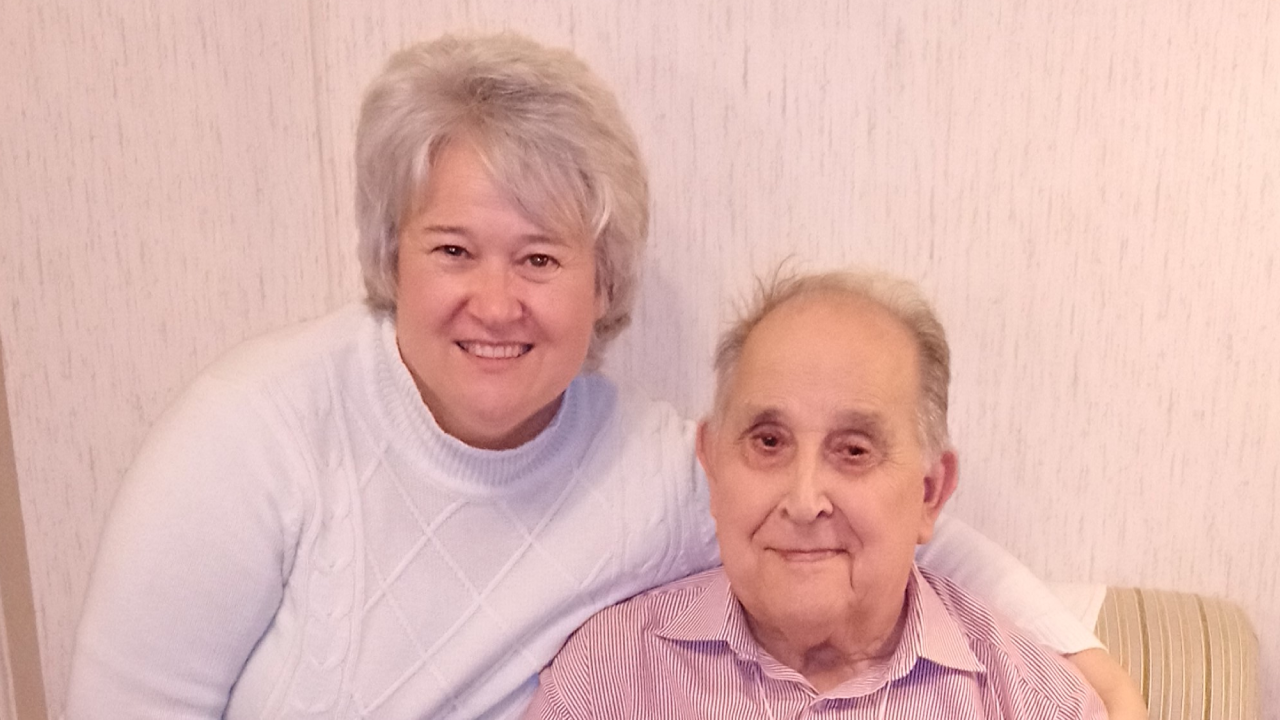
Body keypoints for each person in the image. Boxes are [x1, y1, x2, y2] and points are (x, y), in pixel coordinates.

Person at [65, 33, 1142, 719]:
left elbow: (861, 511)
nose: (495, 302)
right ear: (389, 253)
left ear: (602, 282)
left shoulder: (654, 468)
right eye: (451, 250)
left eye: (539, 257)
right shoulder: (253, 438)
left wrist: (1088, 673)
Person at [525, 271, 1109, 718]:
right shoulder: (609, 678)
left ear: (929, 494)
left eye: (853, 451)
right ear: (713, 465)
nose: (804, 502)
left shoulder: (1031, 701)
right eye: (769, 441)